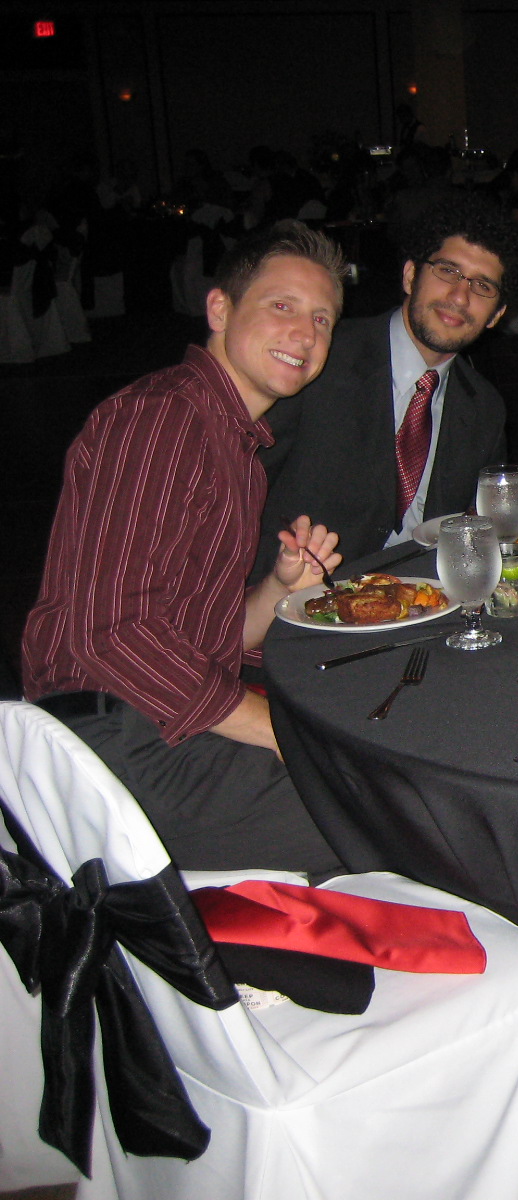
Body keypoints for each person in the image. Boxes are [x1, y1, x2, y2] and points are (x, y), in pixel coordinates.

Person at [22, 221, 348, 876]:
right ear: (220, 309)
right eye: (282, 306)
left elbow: (205, 638)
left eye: (322, 319)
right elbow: (114, 634)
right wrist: (280, 733)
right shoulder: (166, 417)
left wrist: (279, 590)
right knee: (375, 814)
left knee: (370, 783)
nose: (305, 334)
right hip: (111, 741)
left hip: (157, 727)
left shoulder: (235, 448)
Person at [254, 193, 518, 579]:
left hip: (426, 597)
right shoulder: (322, 357)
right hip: (304, 593)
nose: (459, 296)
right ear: (410, 275)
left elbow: (471, 523)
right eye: (448, 271)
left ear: (496, 315)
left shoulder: (483, 407)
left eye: (482, 286)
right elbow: (240, 481)